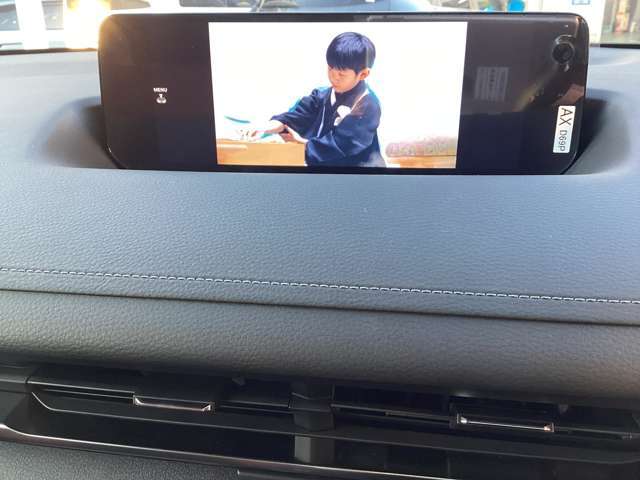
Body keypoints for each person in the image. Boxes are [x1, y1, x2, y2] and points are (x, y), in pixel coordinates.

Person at [249, 32, 384, 167]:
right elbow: (296, 117)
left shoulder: (368, 105)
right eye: (330, 69)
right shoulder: (320, 95)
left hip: (359, 175)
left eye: (341, 74)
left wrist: (305, 145)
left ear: (363, 74)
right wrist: (266, 128)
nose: (333, 78)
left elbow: (344, 144)